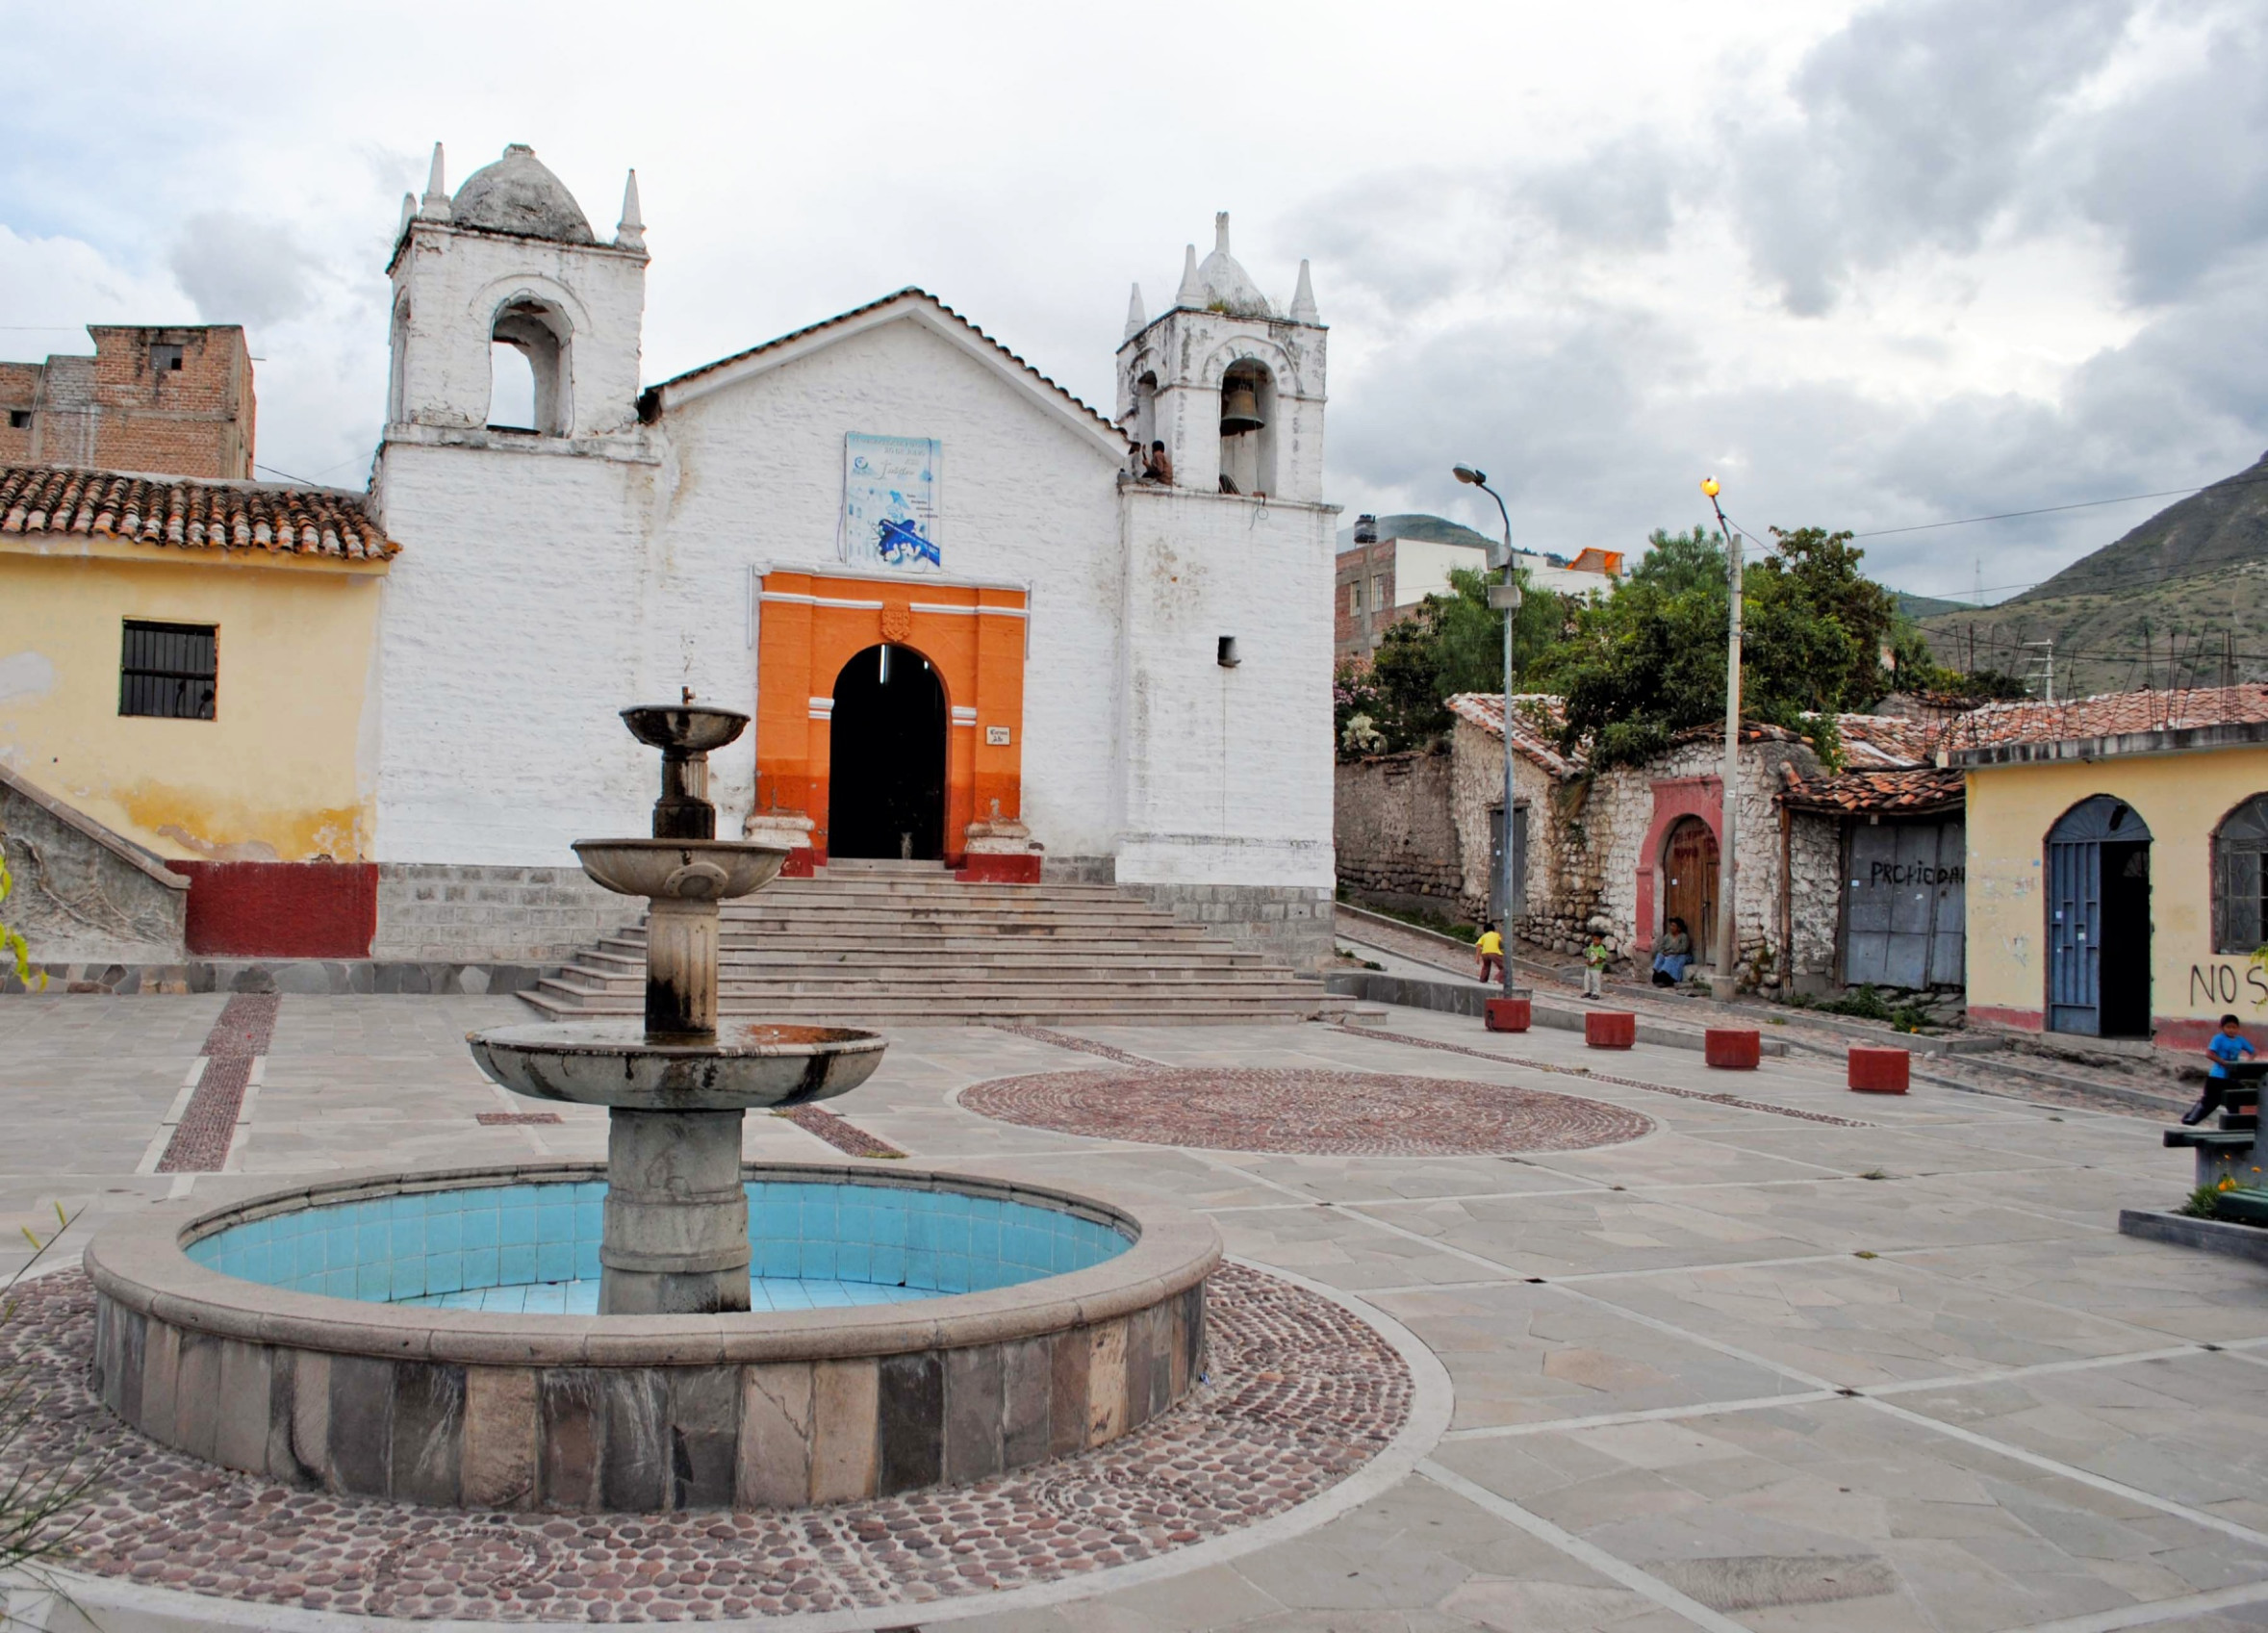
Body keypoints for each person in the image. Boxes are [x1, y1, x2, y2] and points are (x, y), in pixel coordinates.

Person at [2183, 1013, 2257, 1126]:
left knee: (2234, 1102)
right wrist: (2223, 1062)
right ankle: (2191, 1119)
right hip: (2217, 1076)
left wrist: (2246, 1064)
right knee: (2209, 1102)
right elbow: (2209, 1053)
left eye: (2234, 1027)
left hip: (2232, 1077)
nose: (2231, 1030)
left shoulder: (2240, 1040)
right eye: (2228, 1027)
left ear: (2238, 1028)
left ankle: (2236, 1125)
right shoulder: (2218, 1039)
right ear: (2222, 1027)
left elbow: (2253, 1052)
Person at [1652, 918, 1694, 987]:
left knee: (1670, 959)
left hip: (1680, 955)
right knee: (1660, 956)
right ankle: (1657, 977)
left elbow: (1684, 949)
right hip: (1668, 954)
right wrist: (1663, 952)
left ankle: (1668, 979)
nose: (1671, 927)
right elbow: (1661, 947)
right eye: (1671, 926)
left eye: (1674, 926)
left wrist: (1672, 952)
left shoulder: (1683, 936)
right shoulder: (1667, 936)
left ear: (1679, 928)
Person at [1475, 921, 1505, 985]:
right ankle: (1497, 979)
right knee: (1505, 967)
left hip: (1484, 953)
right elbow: (1501, 944)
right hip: (1494, 953)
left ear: (1484, 930)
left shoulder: (1483, 936)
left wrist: (1477, 958)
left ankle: (1483, 980)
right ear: (1493, 929)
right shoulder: (1496, 935)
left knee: (1486, 966)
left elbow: (1478, 945)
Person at [1583, 931, 1611, 999]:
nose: (1595, 941)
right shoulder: (1591, 947)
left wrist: (1594, 962)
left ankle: (1596, 993)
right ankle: (1587, 991)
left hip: (1596, 968)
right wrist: (1587, 960)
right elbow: (1588, 955)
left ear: (1601, 940)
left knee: (1596, 980)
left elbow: (1602, 958)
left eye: (1597, 940)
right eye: (1594, 940)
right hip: (1589, 967)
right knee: (1586, 979)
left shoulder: (1601, 948)